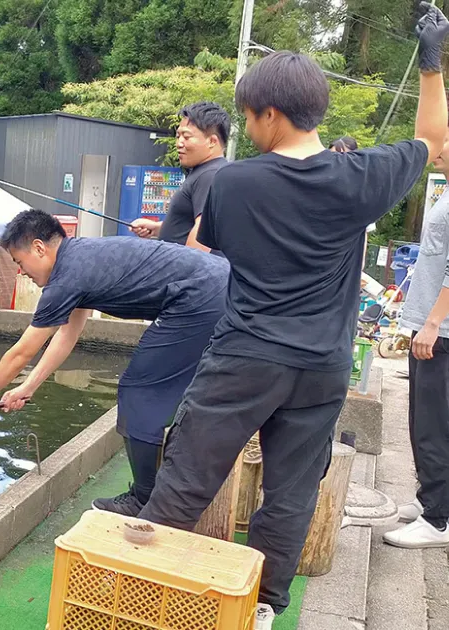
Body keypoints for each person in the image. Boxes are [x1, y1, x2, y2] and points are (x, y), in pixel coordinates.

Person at [136, 4, 449, 628]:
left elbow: (208, 247)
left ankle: (148, 590)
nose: (249, 127)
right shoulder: (363, 176)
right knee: (291, 494)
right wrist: (432, 62)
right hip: (322, 367)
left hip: (244, 359)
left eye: (250, 116)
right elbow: (435, 140)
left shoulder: (232, 184)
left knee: (188, 475)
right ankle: (263, 611)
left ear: (270, 114)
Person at [0, 209, 229, 517]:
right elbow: (67, 333)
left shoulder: (66, 277)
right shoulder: (80, 258)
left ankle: (146, 500)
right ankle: (167, 486)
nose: (21, 272)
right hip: (216, 283)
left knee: (139, 391)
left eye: (19, 262)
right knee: (165, 391)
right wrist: (27, 387)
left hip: (201, 297)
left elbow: (21, 353)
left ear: (39, 248)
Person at [383, 126, 449, 549]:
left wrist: (431, 324)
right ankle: (433, 500)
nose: (437, 149)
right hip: (433, 324)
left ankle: (438, 519)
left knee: (432, 423)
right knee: (430, 419)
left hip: (440, 330)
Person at [130, 101, 230, 252]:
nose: (179, 143)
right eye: (178, 136)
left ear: (212, 141)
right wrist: (157, 228)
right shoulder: (205, 171)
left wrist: (185, 272)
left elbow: (203, 232)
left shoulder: (210, 174)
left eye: (186, 137)